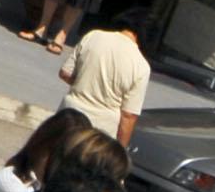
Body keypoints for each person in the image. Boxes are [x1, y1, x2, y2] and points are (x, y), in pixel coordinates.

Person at [58, 8, 152, 142]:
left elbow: (65, 73)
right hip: (99, 133)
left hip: (67, 116)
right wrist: (120, 150)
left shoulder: (93, 36)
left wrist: (87, 83)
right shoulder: (141, 66)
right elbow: (128, 116)